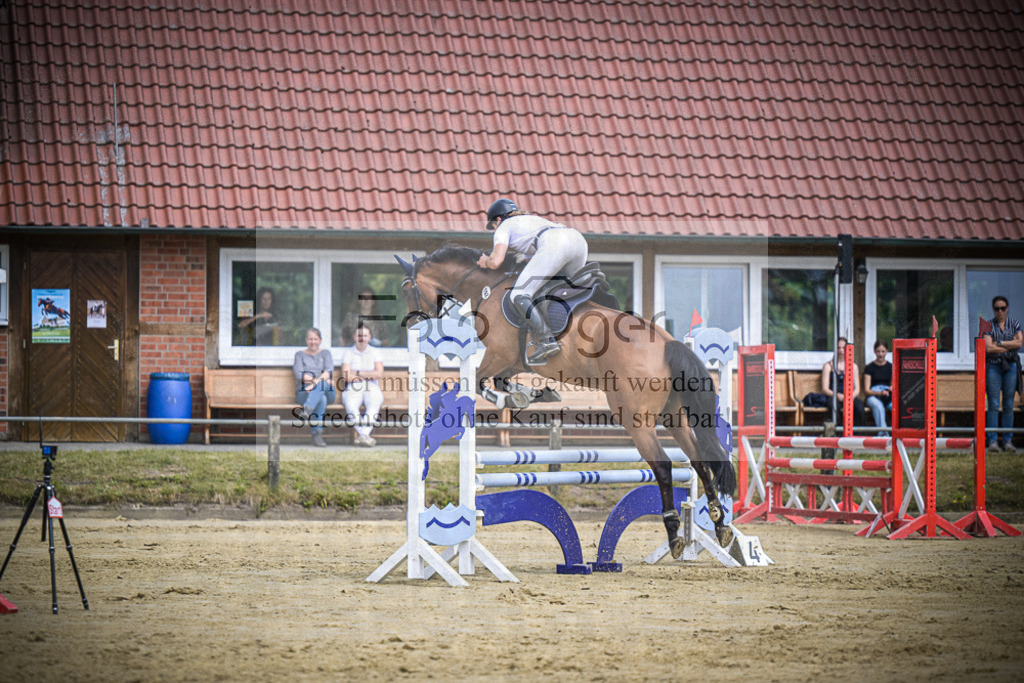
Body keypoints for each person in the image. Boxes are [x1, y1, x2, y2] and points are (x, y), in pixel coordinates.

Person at [476, 198, 589, 365]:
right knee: (560, 287)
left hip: (555, 244)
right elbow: (532, 264)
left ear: (498, 219)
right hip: (578, 241)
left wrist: (485, 262)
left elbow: (496, 261)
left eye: (492, 226)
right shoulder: (532, 221)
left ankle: (546, 341)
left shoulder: (504, 226)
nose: (494, 230)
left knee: (519, 294)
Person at [983, 295, 1022, 453]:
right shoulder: (988, 325)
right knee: (993, 404)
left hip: (1011, 367)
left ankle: (1007, 441)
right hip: (993, 367)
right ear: (993, 309)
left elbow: (1019, 343)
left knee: (1008, 404)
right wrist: (1009, 345)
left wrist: (998, 343)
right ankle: (992, 441)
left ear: (1007, 308)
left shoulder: (1015, 323)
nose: (1000, 311)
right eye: (997, 308)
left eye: (1003, 308)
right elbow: (988, 348)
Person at [341, 323, 385, 447]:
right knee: (350, 405)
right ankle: (365, 435)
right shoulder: (348, 353)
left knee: (375, 403)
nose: (362, 338)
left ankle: (362, 435)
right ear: (354, 337)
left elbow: (379, 373)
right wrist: (368, 375)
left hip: (372, 386)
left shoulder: (375, 352)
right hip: (354, 387)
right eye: (359, 335)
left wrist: (358, 372)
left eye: (365, 335)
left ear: (369, 337)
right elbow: (346, 376)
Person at [293, 327, 334, 448]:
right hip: (304, 392)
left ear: (320, 340)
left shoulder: (326, 354)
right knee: (322, 399)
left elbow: (328, 371)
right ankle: (317, 434)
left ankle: (308, 408)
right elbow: (300, 375)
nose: (313, 342)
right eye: (310, 339)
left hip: (327, 391)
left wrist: (314, 384)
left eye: (315, 339)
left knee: (323, 386)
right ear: (306, 340)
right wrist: (320, 380)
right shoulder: (299, 355)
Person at [821, 337, 865, 430]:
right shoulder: (828, 366)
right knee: (834, 407)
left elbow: (857, 389)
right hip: (834, 395)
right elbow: (825, 388)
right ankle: (839, 433)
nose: (841, 350)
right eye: (838, 347)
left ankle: (857, 435)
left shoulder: (854, 366)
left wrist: (849, 396)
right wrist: (837, 395)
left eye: (843, 348)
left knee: (859, 407)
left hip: (849, 395)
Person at [863, 340, 893, 437]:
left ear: (887, 351)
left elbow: (893, 386)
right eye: (878, 351)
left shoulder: (891, 367)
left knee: (896, 407)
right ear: (874, 351)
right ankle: (883, 434)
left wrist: (889, 390)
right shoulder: (869, 368)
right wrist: (880, 393)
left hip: (887, 394)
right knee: (878, 406)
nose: (880, 354)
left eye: (883, 351)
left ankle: (903, 434)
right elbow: (866, 390)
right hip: (873, 395)